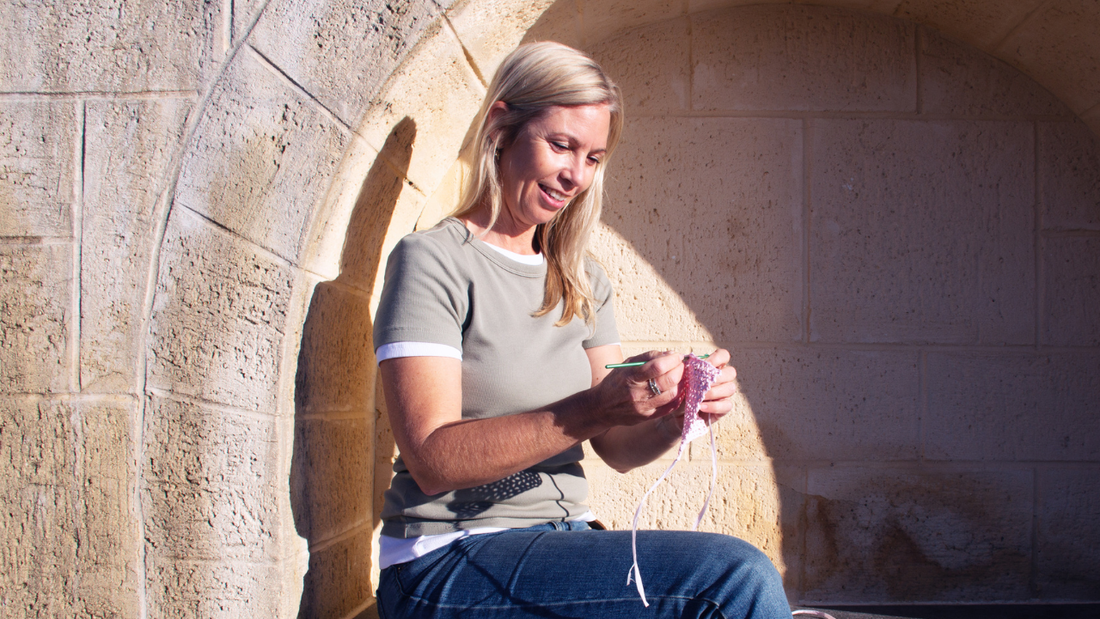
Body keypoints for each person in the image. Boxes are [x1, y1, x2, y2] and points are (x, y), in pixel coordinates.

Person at [372, 41, 792, 619]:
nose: (576, 176)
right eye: (561, 145)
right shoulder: (433, 261)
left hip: (561, 540)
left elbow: (616, 449)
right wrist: (596, 406)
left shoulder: (582, 280)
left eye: (593, 157)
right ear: (501, 126)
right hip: (446, 556)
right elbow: (432, 460)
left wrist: (677, 414)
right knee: (731, 578)